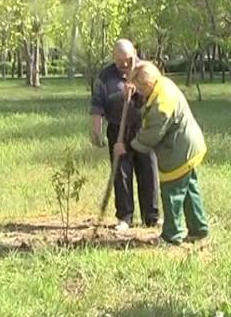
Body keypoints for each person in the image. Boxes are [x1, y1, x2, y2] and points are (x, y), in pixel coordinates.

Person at [114, 61, 209, 245]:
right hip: (188, 144)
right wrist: (134, 97)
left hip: (180, 151)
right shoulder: (162, 83)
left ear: (147, 85)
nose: (140, 93)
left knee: (172, 192)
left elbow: (151, 135)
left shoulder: (162, 105)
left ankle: (172, 236)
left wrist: (127, 147)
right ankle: (199, 229)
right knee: (189, 189)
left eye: (140, 90)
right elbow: (146, 106)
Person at [89, 39, 159, 231]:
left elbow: (158, 96)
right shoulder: (105, 77)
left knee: (148, 170)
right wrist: (96, 132)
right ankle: (125, 217)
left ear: (135, 53)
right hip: (117, 129)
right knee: (121, 172)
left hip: (142, 128)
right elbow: (97, 107)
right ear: (113, 58)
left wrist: (138, 92)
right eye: (120, 61)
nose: (125, 65)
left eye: (128, 59)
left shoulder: (146, 70)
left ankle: (151, 216)